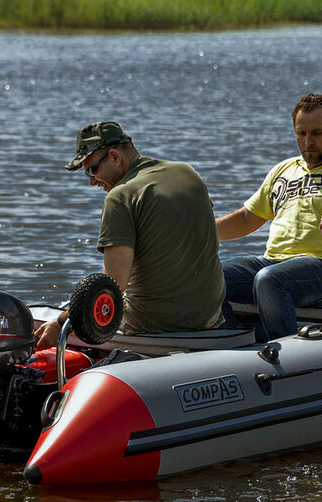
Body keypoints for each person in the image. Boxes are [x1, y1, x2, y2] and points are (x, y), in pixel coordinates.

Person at [35, 121, 226, 349]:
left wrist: (60, 323)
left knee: (83, 307)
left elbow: (113, 284)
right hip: (210, 317)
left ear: (115, 157)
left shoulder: (120, 196)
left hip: (153, 325)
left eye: (92, 169)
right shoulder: (187, 172)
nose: (91, 181)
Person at [215, 93, 322, 341]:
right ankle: (229, 346)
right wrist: (199, 232)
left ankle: (284, 355)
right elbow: (245, 219)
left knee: (270, 281)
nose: (308, 141)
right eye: (301, 133)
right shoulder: (284, 170)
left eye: (317, 133)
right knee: (211, 279)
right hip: (273, 262)